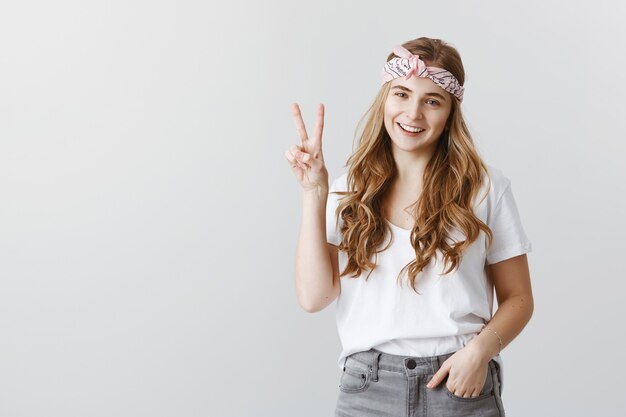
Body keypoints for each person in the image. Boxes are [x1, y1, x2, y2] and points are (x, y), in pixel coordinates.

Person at [284, 36, 533, 417]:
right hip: (369, 388)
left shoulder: (485, 188)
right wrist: (314, 192)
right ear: (385, 98)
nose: (413, 114)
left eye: (432, 101)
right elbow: (314, 298)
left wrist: (480, 352)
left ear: (451, 111)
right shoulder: (348, 187)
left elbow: (519, 298)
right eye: (402, 94)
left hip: (459, 384)